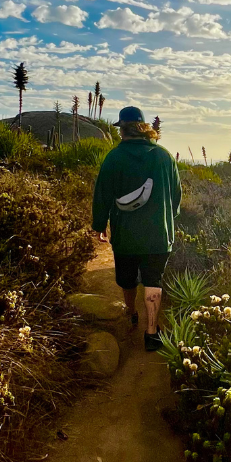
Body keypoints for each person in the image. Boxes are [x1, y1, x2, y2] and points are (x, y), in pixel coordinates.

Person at [91, 106, 182, 352]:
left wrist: (99, 225)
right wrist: (169, 218)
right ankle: (152, 332)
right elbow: (176, 196)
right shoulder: (164, 157)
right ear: (144, 128)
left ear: (122, 129)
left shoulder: (114, 158)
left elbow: (102, 195)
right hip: (158, 235)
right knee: (154, 279)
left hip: (125, 235)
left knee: (128, 279)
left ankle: (131, 313)